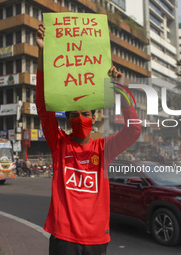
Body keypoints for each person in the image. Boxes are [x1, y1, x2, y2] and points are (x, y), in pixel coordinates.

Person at [36, 24, 141, 255]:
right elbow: (44, 109)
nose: (80, 119)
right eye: (74, 115)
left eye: (85, 114)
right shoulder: (59, 143)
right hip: (64, 238)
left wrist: (121, 91)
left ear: (94, 118)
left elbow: (133, 130)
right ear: (67, 119)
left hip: (96, 239)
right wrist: (42, 53)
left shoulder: (104, 148)